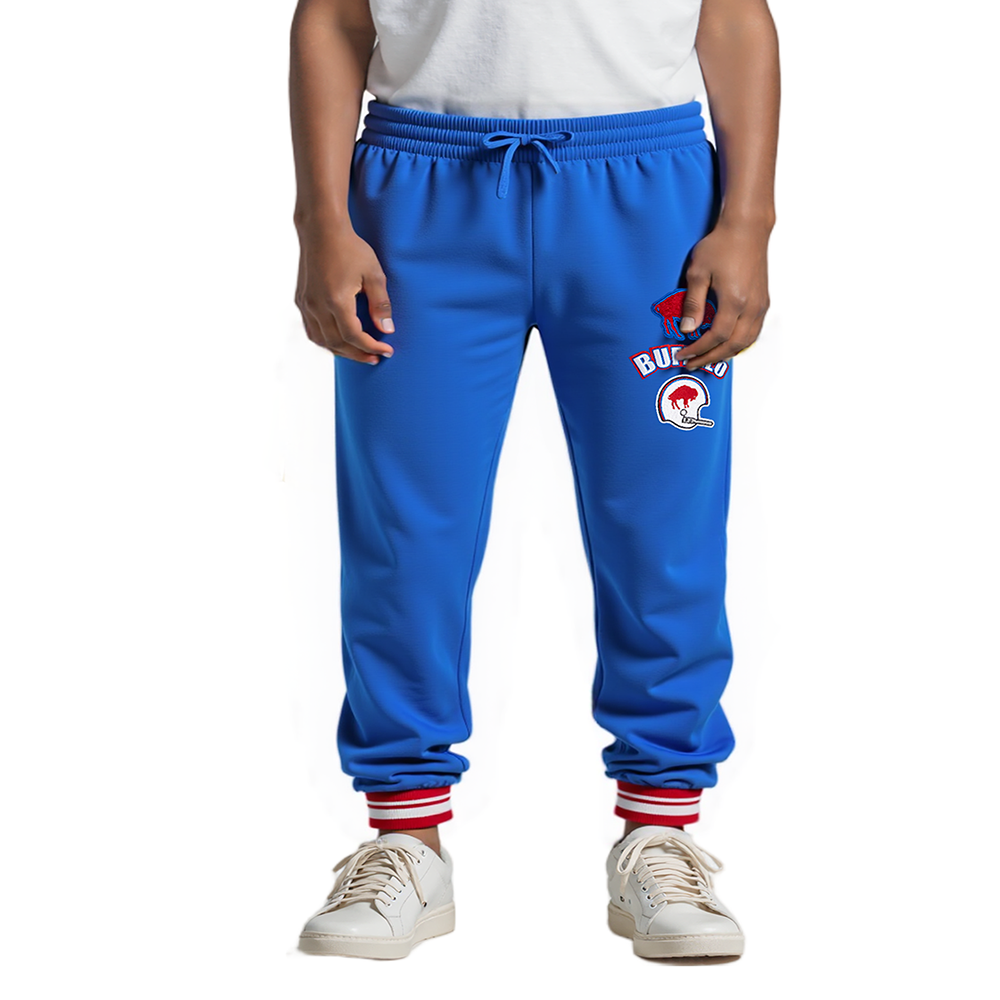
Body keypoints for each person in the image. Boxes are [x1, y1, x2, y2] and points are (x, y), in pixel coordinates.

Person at [289, 0, 778, 961]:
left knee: (661, 526)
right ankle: (406, 840)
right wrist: (321, 220)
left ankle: (660, 831)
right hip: (422, 186)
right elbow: (336, 18)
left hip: (645, 189)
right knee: (406, 529)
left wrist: (749, 220)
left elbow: (730, 17)